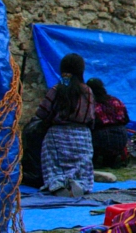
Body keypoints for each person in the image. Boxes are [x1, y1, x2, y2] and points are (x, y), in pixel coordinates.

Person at [35, 53, 95, 196]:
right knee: (81, 165)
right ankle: (79, 184)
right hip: (82, 137)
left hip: (57, 136)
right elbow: (91, 116)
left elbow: (42, 113)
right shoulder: (88, 91)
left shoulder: (57, 90)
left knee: (55, 167)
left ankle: (58, 184)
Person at [87, 78, 129, 168]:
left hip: (101, 138)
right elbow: (126, 120)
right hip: (121, 137)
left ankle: (95, 161)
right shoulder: (116, 101)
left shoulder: (91, 104)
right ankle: (111, 160)